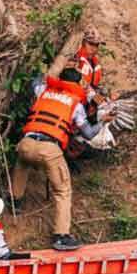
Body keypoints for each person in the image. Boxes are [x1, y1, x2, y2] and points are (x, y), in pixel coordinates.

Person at [11, 65, 114, 251]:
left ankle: (14, 203)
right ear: (76, 84)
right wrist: (102, 121)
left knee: (22, 162)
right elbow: (89, 134)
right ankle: (61, 235)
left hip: (26, 142)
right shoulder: (75, 103)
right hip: (49, 149)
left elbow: (35, 80)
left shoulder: (43, 90)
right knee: (63, 191)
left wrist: (50, 74)